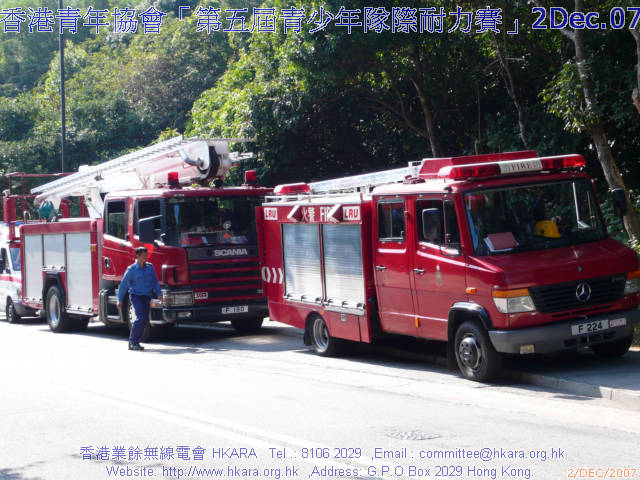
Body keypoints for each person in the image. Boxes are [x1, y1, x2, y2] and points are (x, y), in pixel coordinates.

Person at [117, 247, 162, 351]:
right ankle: (132, 341)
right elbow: (123, 285)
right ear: (137, 256)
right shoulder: (131, 270)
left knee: (145, 319)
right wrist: (120, 300)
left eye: (146, 255)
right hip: (136, 296)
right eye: (143, 256)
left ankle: (135, 341)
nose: (146, 257)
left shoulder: (150, 267)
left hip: (147, 296)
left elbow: (155, 281)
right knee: (141, 318)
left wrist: (159, 294)